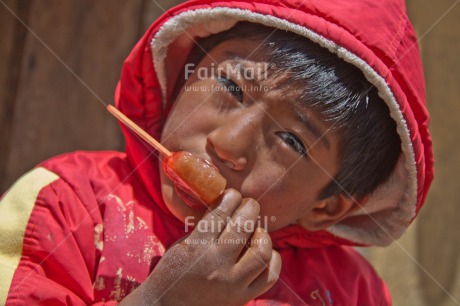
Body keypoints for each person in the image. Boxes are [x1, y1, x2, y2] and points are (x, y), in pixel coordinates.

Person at [0, 0, 434, 305]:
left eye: (292, 141)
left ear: (328, 205)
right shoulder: (64, 203)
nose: (228, 145)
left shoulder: (352, 293)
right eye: (230, 86)